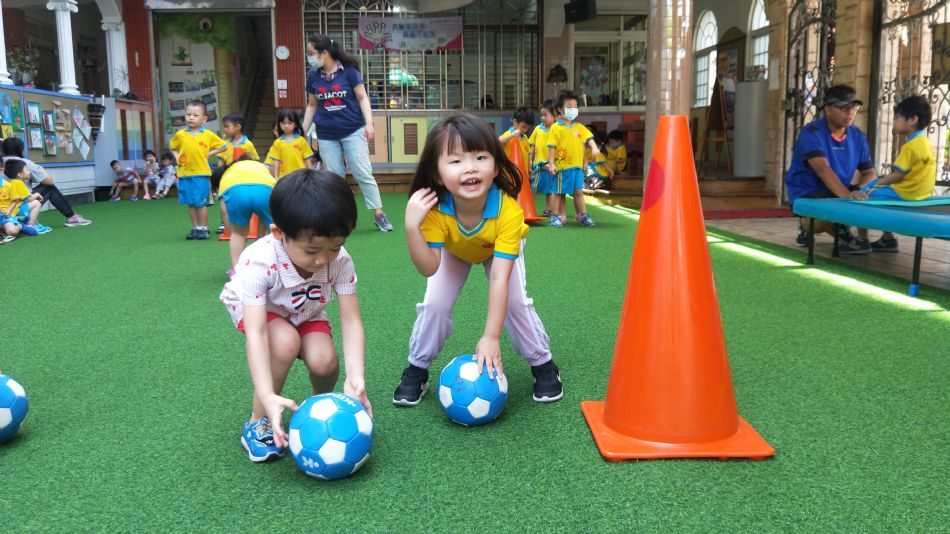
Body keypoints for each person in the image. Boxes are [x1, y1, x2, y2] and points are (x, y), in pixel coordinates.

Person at [393, 112, 563, 407]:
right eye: (456, 161)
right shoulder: (434, 210)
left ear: (495, 165)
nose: (470, 167)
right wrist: (411, 228)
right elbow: (429, 268)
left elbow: (499, 278)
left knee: (516, 303)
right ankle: (417, 368)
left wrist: (491, 336)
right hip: (454, 250)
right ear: (437, 173)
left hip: (497, 248)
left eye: (480, 157)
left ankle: (543, 363)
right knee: (434, 305)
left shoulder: (508, 212)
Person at [219, 169, 371, 462]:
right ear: (279, 233)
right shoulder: (258, 261)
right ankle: (258, 421)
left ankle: (318, 410)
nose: (323, 259)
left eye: (334, 247)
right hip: (263, 310)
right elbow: (256, 333)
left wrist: (356, 378)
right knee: (285, 341)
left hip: (305, 309)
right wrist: (266, 394)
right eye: (311, 250)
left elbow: (351, 320)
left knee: (325, 361)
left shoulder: (340, 261)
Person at [301, 34, 394, 232]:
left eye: (311, 53)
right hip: (326, 134)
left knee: (362, 172)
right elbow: (312, 105)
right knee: (334, 178)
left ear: (324, 53)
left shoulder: (349, 71)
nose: (309, 57)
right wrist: (302, 132)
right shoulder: (313, 75)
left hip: (353, 130)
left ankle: (379, 214)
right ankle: (339, 217)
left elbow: (362, 98)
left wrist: (369, 123)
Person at [785, 84, 876, 249]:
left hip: (839, 189)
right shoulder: (811, 133)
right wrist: (847, 197)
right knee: (824, 216)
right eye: (844, 108)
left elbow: (870, 172)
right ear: (827, 109)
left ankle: (872, 238)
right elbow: (823, 170)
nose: (850, 113)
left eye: (854, 108)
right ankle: (807, 225)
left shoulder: (857, 135)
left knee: (877, 193)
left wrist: (860, 191)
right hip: (809, 190)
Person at [854, 95, 937, 253]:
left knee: (864, 194)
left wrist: (876, 184)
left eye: (897, 117)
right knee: (883, 195)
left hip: (906, 193)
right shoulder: (926, 143)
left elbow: (897, 175)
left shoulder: (910, 146)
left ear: (912, 120)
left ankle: (861, 240)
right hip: (921, 193)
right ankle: (887, 239)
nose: (894, 121)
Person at [169, 100, 227, 240]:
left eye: (195, 115)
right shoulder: (181, 134)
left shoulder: (208, 134)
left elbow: (223, 146)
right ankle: (195, 228)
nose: (191, 117)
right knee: (191, 203)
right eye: (188, 114)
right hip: (185, 174)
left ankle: (204, 228)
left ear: (204, 118)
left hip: (202, 174)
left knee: (202, 202)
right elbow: (172, 146)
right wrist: (176, 156)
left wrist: (210, 153)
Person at [1, 138, 91, 227]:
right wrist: (38, 167)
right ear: (20, 150)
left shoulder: (1, 163)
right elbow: (49, 181)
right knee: (49, 187)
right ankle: (72, 217)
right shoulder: (24, 163)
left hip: (3, 204)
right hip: (20, 204)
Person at [545, 90, 599, 227]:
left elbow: (588, 139)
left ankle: (583, 215)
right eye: (569, 107)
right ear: (559, 109)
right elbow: (552, 147)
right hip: (561, 167)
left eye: (575, 107)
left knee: (578, 192)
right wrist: (551, 164)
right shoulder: (556, 128)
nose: (573, 110)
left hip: (577, 167)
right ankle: (555, 217)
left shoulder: (579, 127)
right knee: (558, 192)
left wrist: (594, 148)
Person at [214, 158, 276, 275]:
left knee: (238, 233)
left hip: (235, 190)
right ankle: (269, 268)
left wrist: (232, 230)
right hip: (265, 188)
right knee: (272, 231)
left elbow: (224, 212)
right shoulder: (261, 167)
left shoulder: (227, 177)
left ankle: (237, 272)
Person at [216, 112, 261, 234]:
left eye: (227, 126)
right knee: (225, 200)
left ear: (238, 127)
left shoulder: (247, 144)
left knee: (240, 200)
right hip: (228, 177)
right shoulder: (225, 144)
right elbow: (220, 161)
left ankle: (243, 221)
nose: (225, 129)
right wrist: (219, 176)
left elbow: (255, 160)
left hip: (243, 178)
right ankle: (224, 222)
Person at [2, 159, 51, 239]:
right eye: (27, 170)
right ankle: (31, 225)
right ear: (20, 174)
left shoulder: (10, 183)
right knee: (36, 203)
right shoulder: (19, 183)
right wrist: (37, 194)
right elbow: (30, 199)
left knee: (29, 205)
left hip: (11, 213)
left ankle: (32, 223)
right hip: (18, 212)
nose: (29, 172)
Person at [527, 99, 558, 216]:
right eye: (542, 115)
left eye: (546, 115)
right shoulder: (537, 129)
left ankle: (548, 209)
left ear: (555, 116)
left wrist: (552, 163)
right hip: (539, 165)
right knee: (533, 188)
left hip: (551, 166)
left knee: (550, 189)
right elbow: (532, 146)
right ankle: (529, 208)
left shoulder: (557, 130)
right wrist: (530, 161)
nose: (543, 118)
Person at [265, 109, 315, 180]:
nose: (286, 126)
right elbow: (276, 160)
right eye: (283, 123)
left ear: (296, 124)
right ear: (279, 124)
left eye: (289, 123)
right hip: (283, 177)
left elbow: (307, 158)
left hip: (300, 176)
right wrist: (276, 176)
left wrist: (310, 174)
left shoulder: (301, 140)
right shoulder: (277, 142)